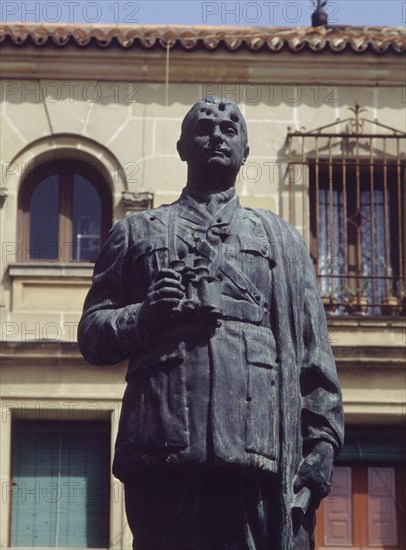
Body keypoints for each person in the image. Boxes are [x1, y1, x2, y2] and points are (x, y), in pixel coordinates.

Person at [78, 96, 344, 550]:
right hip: (164, 453)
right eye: (204, 128)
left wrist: (321, 447)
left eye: (229, 128)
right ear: (182, 147)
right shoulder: (137, 232)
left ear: (244, 151)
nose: (217, 135)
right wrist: (144, 315)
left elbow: (314, 361)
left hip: (258, 456)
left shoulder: (282, 241)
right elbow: (93, 335)